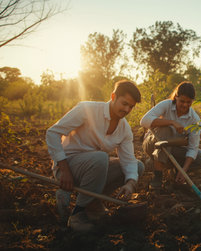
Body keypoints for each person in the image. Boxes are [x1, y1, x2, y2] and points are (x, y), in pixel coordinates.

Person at [46, 80, 144, 231]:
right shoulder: (87, 109)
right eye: (124, 103)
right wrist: (64, 170)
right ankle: (77, 215)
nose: (126, 109)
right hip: (68, 166)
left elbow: (129, 161)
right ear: (113, 97)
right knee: (100, 158)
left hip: (95, 169)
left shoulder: (124, 129)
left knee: (138, 166)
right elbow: (52, 133)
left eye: (131, 106)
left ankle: (93, 202)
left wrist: (130, 183)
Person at [141, 81, 201, 189]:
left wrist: (184, 171)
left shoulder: (195, 120)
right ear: (176, 97)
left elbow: (193, 148)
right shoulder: (166, 105)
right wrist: (171, 122)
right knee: (166, 130)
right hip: (152, 143)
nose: (185, 105)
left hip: (174, 149)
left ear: (192, 101)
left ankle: (176, 172)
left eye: (188, 102)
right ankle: (158, 175)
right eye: (182, 101)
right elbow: (144, 121)